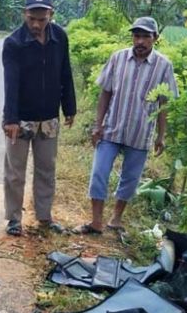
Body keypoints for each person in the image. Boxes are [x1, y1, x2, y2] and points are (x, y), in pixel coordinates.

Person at [73, 17, 178, 235]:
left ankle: (116, 219)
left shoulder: (163, 65)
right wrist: (97, 125)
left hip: (140, 133)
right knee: (99, 174)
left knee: (130, 179)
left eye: (145, 36)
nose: (140, 41)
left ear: (155, 38)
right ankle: (96, 222)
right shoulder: (118, 58)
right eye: (136, 35)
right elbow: (105, 93)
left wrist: (161, 135)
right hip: (112, 128)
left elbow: (164, 103)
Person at [2, 0, 77, 236]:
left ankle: (44, 217)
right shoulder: (14, 43)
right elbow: (10, 83)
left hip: (49, 118)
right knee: (15, 172)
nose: (36, 24)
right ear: (25, 14)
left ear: (51, 15)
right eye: (31, 18)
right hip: (21, 119)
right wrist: (10, 119)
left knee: (47, 169)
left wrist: (70, 107)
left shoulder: (60, 38)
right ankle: (14, 219)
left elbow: (65, 72)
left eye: (41, 19)